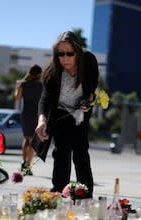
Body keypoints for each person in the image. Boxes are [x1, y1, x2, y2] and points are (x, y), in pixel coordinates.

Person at [35, 31, 99, 196]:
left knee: (80, 152)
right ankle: (58, 191)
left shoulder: (88, 61)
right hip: (60, 113)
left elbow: (92, 87)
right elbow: (45, 99)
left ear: (77, 51)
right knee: (62, 152)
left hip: (80, 113)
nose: (65, 58)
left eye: (69, 53)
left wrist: (88, 101)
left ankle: (84, 193)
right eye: (60, 54)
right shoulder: (52, 71)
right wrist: (41, 121)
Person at [14, 64, 43, 175]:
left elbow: (17, 98)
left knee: (26, 139)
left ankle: (24, 163)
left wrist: (18, 87)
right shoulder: (41, 86)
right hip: (36, 114)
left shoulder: (23, 84)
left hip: (25, 113)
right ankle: (27, 165)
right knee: (34, 141)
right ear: (40, 74)